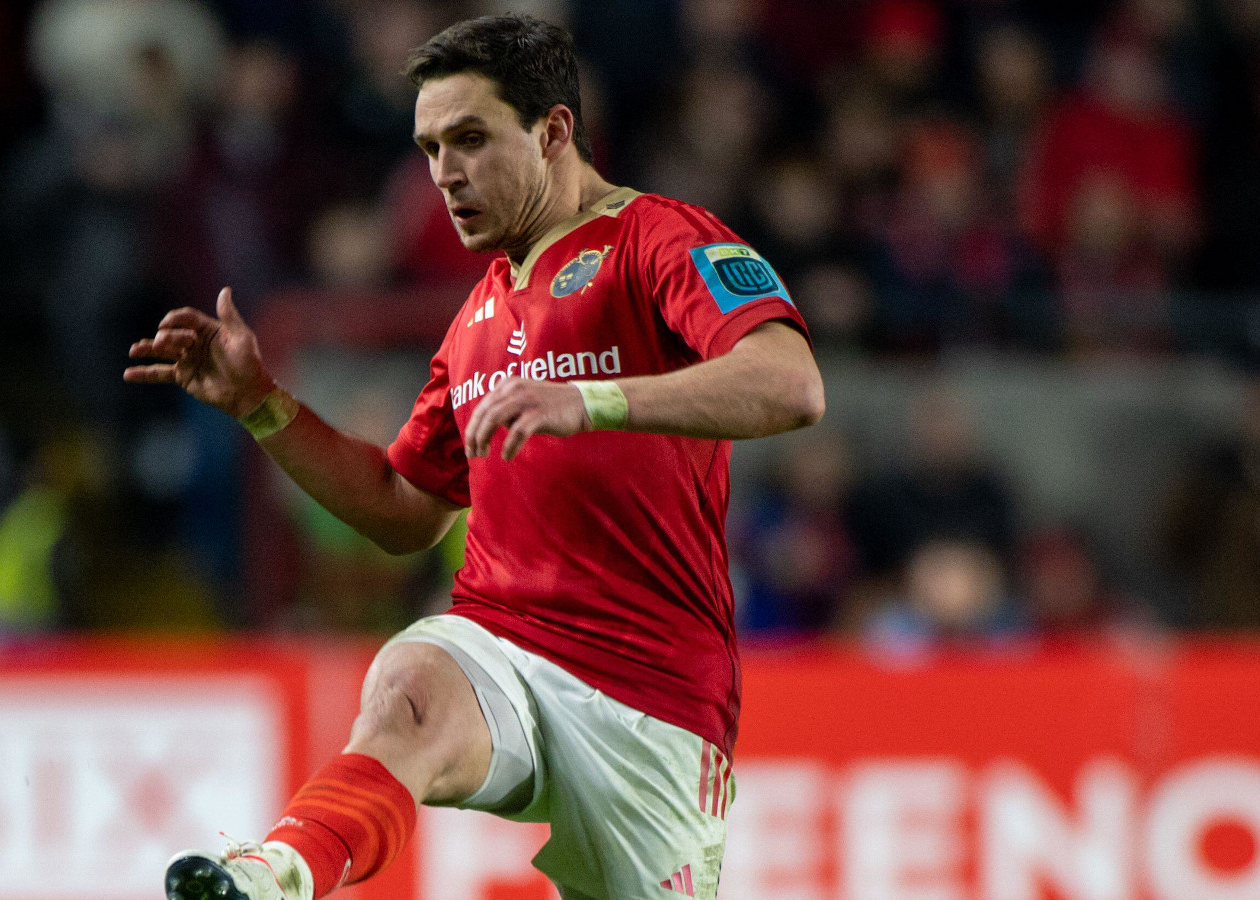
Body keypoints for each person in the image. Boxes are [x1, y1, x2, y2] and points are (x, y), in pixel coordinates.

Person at [127, 15, 823, 900]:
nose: (444, 174)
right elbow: (402, 507)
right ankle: (279, 872)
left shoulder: (661, 239)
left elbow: (791, 382)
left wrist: (591, 400)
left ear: (554, 131)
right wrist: (264, 407)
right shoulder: (474, 323)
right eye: (428, 147)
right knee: (410, 682)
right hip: (506, 642)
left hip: (654, 697)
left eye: (469, 139)